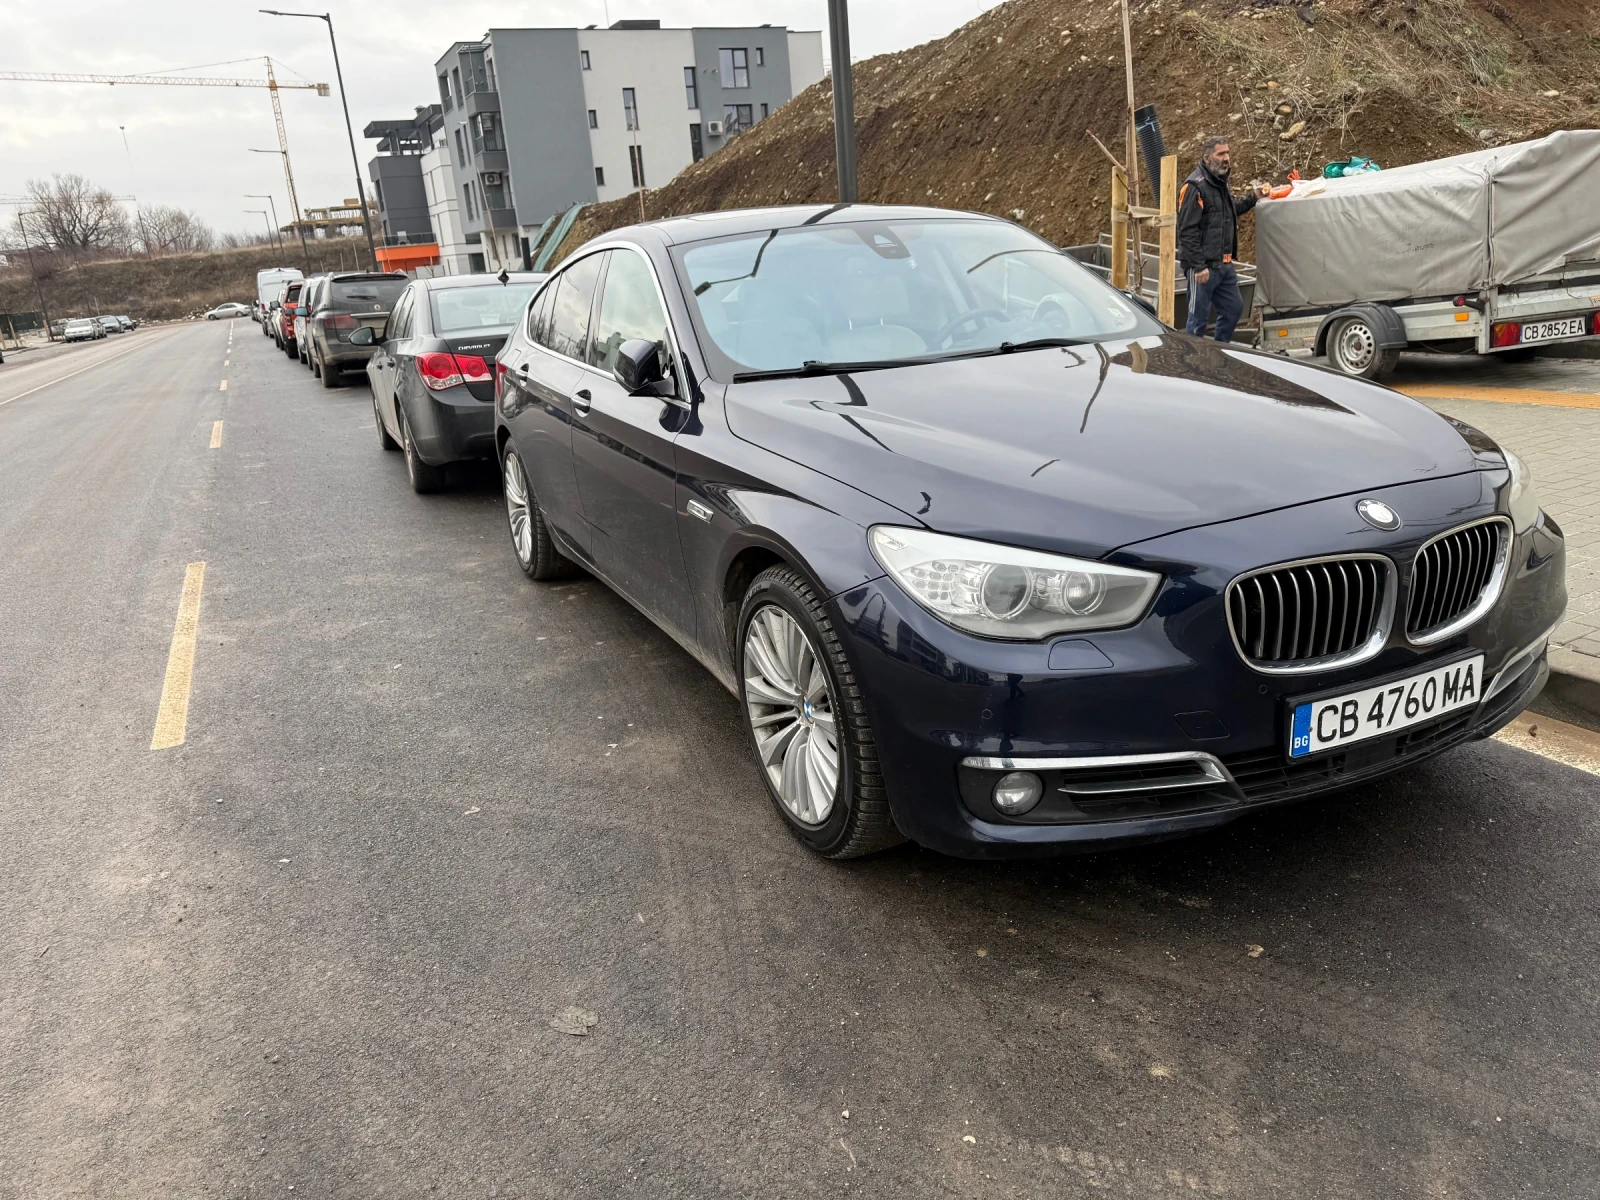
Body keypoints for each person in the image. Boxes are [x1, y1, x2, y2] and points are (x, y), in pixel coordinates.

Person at [1177, 136, 1269, 343]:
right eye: (1221, 154)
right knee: (1197, 320)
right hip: (1203, 268)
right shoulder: (1194, 187)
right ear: (1207, 158)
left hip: (1224, 265)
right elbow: (1186, 231)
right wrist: (1199, 267)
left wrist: (1253, 198)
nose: (1226, 158)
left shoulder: (1220, 182)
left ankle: (1220, 351)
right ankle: (1194, 359)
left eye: (1227, 153)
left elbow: (1229, 211)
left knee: (1233, 309)